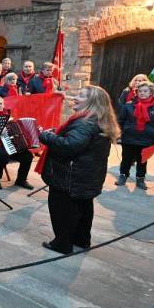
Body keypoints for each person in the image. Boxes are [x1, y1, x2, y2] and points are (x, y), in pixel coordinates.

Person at [38, 85, 120, 254]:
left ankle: (62, 244)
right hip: (86, 176)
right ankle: (81, 241)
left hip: (70, 177)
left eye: (81, 96)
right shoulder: (97, 120)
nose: (75, 97)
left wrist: (46, 136)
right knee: (83, 209)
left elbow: (69, 146)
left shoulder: (84, 123)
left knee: (63, 210)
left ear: (92, 102)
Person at [116, 82, 154, 189]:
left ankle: (140, 178)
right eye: (140, 91)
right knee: (126, 158)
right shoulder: (129, 105)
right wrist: (116, 133)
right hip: (129, 138)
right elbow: (120, 121)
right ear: (136, 92)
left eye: (145, 91)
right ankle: (123, 175)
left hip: (147, 140)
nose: (142, 93)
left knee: (142, 160)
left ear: (151, 92)